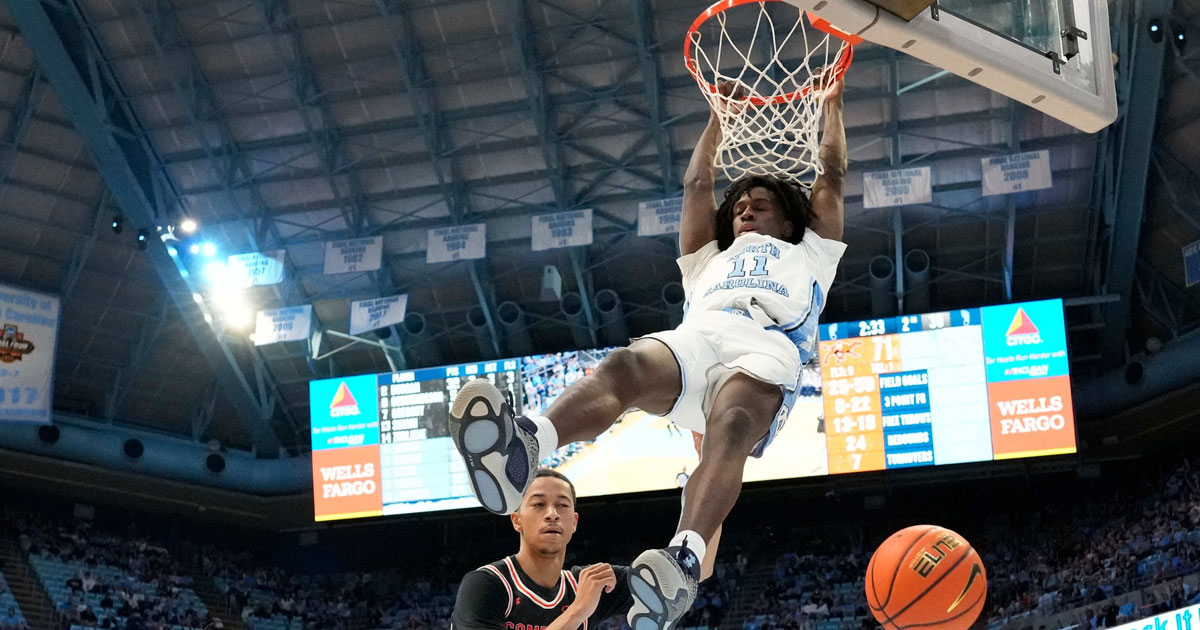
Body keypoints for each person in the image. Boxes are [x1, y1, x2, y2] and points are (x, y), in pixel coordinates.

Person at [449, 74, 846, 630]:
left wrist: (832, 107)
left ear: (788, 217)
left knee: (730, 424)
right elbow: (696, 186)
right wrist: (717, 118)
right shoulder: (708, 259)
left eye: (760, 206)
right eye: (740, 208)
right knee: (624, 366)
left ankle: (682, 557)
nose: (745, 212)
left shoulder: (813, 253)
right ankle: (527, 443)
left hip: (765, 349)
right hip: (700, 339)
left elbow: (831, 177)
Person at [450, 466, 721, 630]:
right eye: (538, 504)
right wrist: (577, 611)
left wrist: (712, 473)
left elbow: (695, 570)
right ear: (517, 519)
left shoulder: (591, 582)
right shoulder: (486, 584)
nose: (552, 514)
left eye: (562, 505)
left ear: (574, 522)